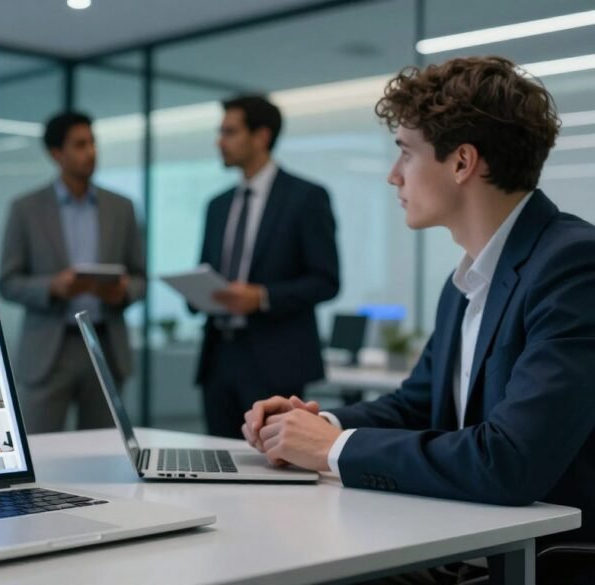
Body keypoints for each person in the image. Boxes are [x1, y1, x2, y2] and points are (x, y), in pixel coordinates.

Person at [244, 56, 595, 584]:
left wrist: (330, 450)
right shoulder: (469, 279)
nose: (393, 175)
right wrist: (319, 425)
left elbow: (510, 461)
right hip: (469, 546)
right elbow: (417, 405)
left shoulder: (573, 266)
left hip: (539, 563)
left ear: (461, 163)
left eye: (406, 153)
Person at [195, 95, 339, 438]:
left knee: (274, 465)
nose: (220, 141)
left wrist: (261, 297)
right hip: (218, 355)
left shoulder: (306, 197)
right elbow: (206, 269)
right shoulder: (217, 205)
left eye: (230, 132)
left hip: (277, 360)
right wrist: (198, 292)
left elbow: (326, 280)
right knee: (214, 463)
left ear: (261, 136)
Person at [0, 111, 145, 433]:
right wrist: (53, 286)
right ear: (56, 154)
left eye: (92, 142)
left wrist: (123, 291)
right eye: (80, 144)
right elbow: (8, 281)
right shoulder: (26, 209)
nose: (90, 151)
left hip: (105, 343)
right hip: (51, 346)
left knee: (105, 453)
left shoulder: (122, 208)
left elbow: (140, 277)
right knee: (41, 450)